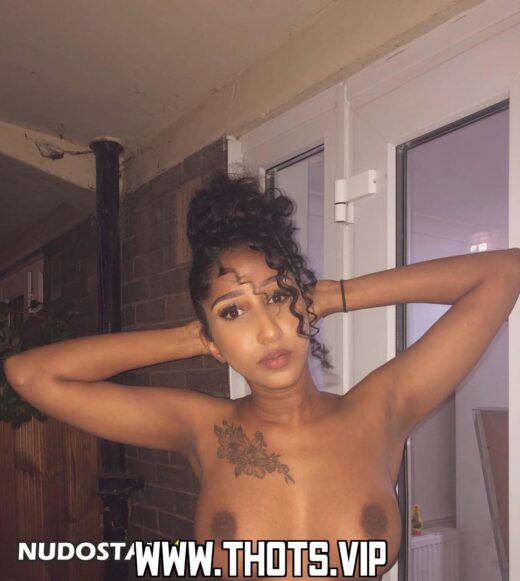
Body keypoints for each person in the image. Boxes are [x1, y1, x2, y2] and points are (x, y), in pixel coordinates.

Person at [4, 173, 520, 580]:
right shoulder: (202, 428)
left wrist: (336, 295)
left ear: (304, 305)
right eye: (233, 312)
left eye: (277, 296)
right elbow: (30, 375)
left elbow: (505, 272)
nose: (268, 330)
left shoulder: (379, 411)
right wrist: (195, 337)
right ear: (212, 338)